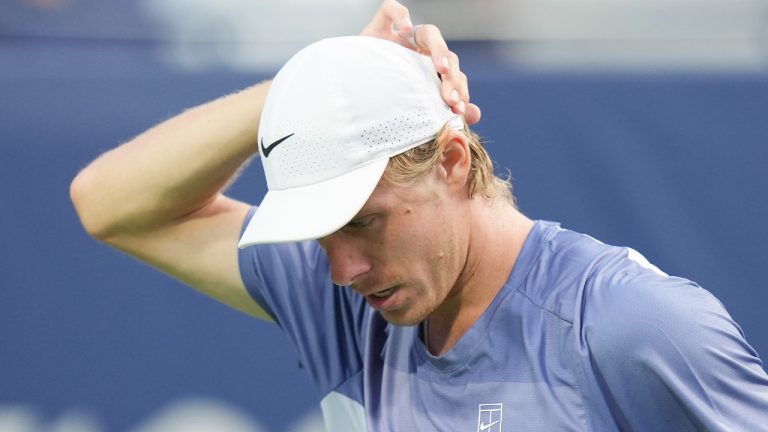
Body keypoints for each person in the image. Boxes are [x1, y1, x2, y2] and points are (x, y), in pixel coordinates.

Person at [70, 1, 768, 430]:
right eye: (320, 231)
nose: (342, 268)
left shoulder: (631, 327)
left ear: (454, 162)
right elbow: (108, 205)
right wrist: (310, 84)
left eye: (364, 220)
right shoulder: (341, 296)